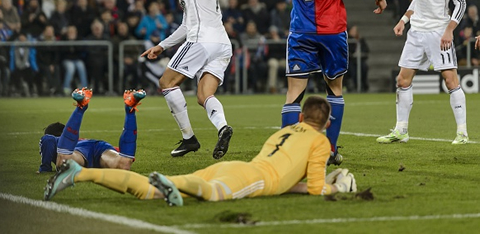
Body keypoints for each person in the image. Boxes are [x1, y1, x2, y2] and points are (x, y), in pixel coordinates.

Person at [44, 96, 358, 205]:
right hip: (253, 179)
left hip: (239, 168)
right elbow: (316, 189)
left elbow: (289, 180)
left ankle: (78, 175)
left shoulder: (287, 129)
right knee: (204, 192)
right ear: (326, 124)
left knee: (155, 190)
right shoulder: (320, 142)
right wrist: (337, 186)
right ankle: (174, 185)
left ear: (301, 118)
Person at [270, 0, 387, 165]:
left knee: (293, 93)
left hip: (302, 29)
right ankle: (331, 151)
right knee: (334, 89)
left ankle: (286, 156)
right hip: (333, 30)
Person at [124, 0, 233, 160]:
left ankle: (189, 138)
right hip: (221, 45)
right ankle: (223, 127)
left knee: (166, 83)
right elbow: (186, 25)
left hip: (202, 41)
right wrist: (162, 45)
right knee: (204, 96)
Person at [377, 0, 468, 145]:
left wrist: (449, 30)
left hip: (439, 32)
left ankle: (462, 133)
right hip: (416, 32)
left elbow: (461, 2)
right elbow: (417, 0)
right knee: (402, 79)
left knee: (450, 80)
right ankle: (401, 131)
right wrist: (403, 20)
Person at [37, 87, 146, 173]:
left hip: (80, 152)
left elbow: (47, 139)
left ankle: (80, 108)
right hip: (100, 147)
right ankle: (130, 110)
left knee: (64, 164)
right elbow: (123, 152)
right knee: (123, 165)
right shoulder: (82, 140)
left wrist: (45, 168)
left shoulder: (57, 140)